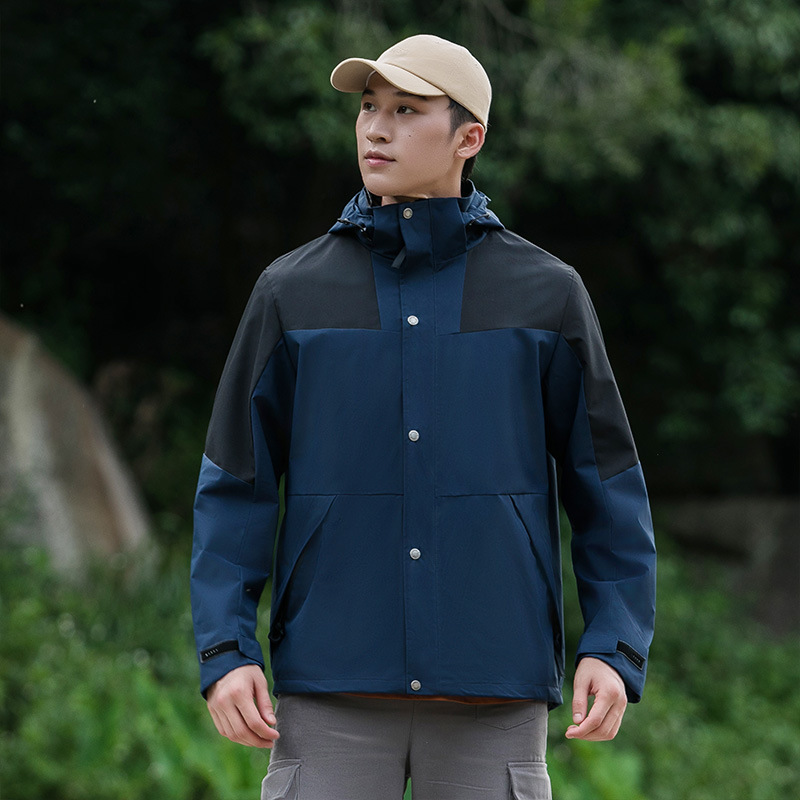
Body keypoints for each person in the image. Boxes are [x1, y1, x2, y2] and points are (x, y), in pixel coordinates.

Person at [191, 33, 656, 800]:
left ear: (468, 138)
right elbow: (235, 483)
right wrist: (225, 649)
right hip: (331, 682)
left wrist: (614, 644)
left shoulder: (547, 294)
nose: (376, 128)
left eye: (407, 111)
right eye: (369, 108)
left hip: (492, 688)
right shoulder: (290, 292)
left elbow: (607, 485)